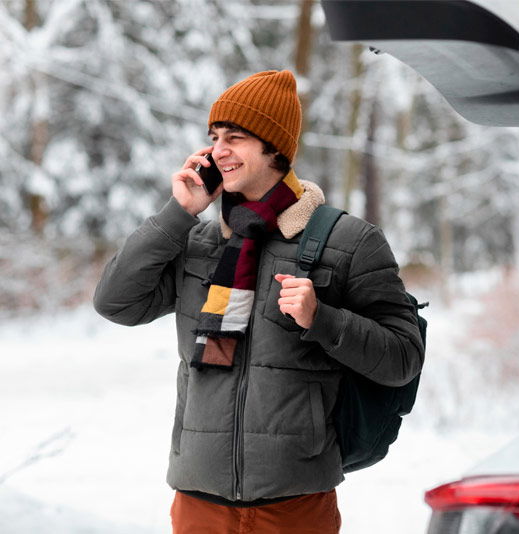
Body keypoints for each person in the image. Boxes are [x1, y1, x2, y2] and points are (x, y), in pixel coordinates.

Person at [93, 70, 424, 534]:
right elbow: (116, 303)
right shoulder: (201, 242)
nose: (218, 151)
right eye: (214, 138)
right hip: (198, 500)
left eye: (235, 137)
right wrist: (178, 214)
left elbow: (402, 358)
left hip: (295, 503)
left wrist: (322, 319)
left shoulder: (349, 242)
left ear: (275, 148)